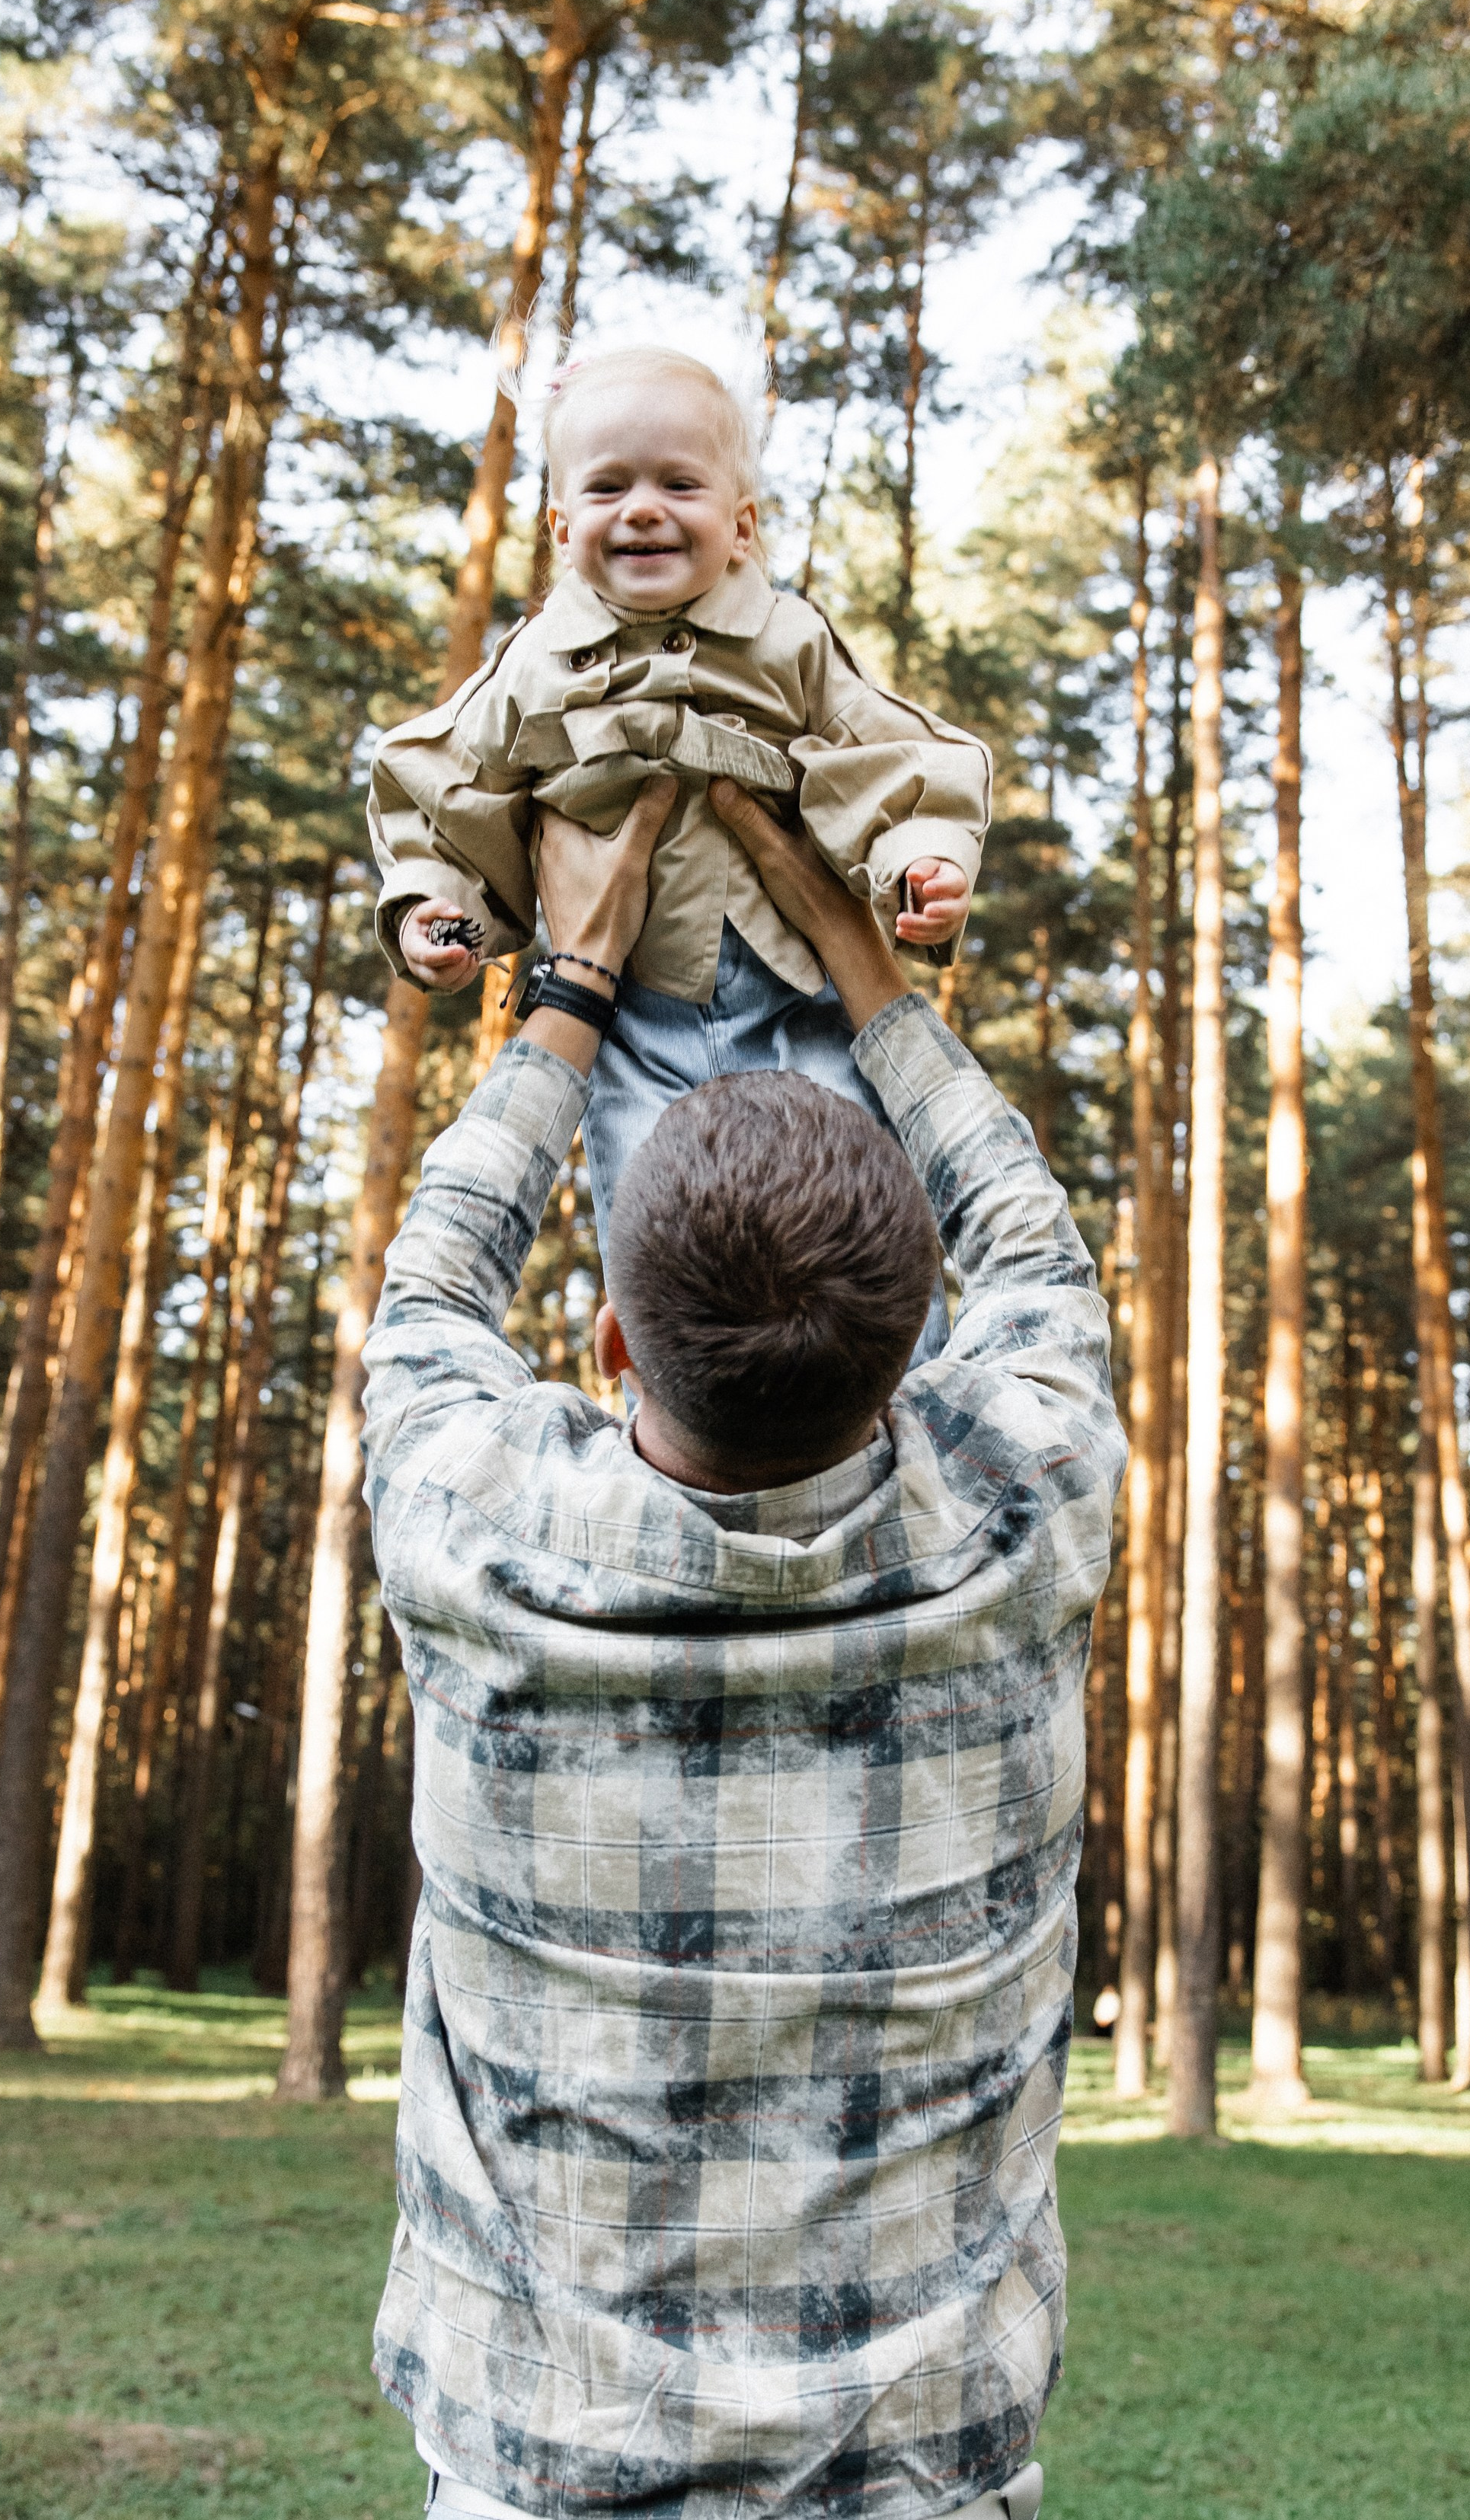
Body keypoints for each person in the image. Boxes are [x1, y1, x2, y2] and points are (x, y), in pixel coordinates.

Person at [361, 770, 1126, 2520]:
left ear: (614, 1345)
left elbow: (433, 1283)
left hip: (544, 2478)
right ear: (908, 1354)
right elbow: (1031, 1244)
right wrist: (871, 968)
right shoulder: (1021, 1515)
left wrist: (569, 986)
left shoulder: (482, 1531)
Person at [366, 341, 992, 1331]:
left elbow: (890, 752)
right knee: (655, 1228)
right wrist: (434, 909)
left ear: (742, 526)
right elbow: (440, 783)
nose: (643, 509)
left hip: (798, 999)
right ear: (559, 526)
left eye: (679, 484)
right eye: (608, 487)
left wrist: (923, 860)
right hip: (634, 1021)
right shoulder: (534, 663)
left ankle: (898, 1384)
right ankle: (669, 1388)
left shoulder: (787, 640)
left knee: (857, 1213)